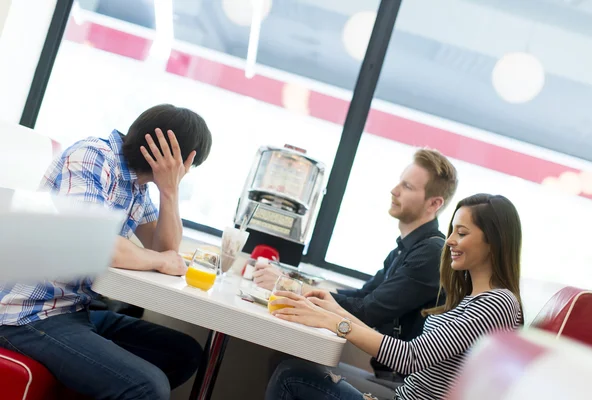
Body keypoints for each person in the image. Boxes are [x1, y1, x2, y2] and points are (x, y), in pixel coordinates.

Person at [0, 104, 212, 399]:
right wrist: (161, 260)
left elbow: (166, 248)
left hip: (72, 309)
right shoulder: (93, 156)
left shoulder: (138, 186)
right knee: (147, 387)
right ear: (182, 158)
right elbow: (96, 242)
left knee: (184, 353)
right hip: (26, 312)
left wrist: (170, 191)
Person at [265, 193, 524, 400]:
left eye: (462, 233)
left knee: (291, 376)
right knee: (289, 364)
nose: (450, 241)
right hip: (404, 393)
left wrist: (332, 322)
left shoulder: (497, 303)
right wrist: (334, 311)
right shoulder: (469, 296)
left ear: (494, 241)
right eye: (453, 231)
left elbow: (411, 357)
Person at [256, 149, 458, 388]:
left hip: (406, 387)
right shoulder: (407, 248)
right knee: (285, 360)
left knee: (291, 373)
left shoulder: (431, 254)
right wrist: (299, 286)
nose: (394, 191)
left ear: (434, 204)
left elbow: (367, 311)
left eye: (407, 187)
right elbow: (362, 296)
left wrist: (293, 288)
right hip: (388, 376)